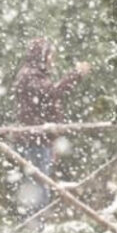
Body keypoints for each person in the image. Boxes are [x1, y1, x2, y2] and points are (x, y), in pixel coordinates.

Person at [11, 38, 91, 217]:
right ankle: (33, 230)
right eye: (50, 55)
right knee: (38, 188)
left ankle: (34, 229)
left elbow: (47, 104)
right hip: (34, 140)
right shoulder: (29, 75)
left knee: (40, 186)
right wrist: (75, 75)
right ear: (42, 56)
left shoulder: (34, 75)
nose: (52, 60)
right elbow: (51, 94)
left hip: (40, 140)